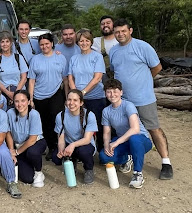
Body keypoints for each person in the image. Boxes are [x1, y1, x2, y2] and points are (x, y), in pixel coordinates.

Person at [110, 18, 173, 179]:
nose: (120, 34)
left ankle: (166, 163)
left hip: (144, 98)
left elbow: (157, 66)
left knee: (153, 128)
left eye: (123, 31)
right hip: (123, 101)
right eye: (117, 32)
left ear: (130, 31)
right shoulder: (114, 51)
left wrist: (145, 82)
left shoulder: (142, 46)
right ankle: (129, 158)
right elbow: (115, 71)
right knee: (126, 130)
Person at [99, 79, 153, 188]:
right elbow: (107, 132)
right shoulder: (106, 111)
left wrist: (116, 143)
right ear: (105, 94)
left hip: (141, 140)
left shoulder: (128, 105)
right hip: (124, 141)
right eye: (109, 92)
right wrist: (107, 145)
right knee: (104, 156)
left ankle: (137, 173)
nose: (112, 94)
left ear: (121, 92)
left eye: (115, 91)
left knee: (134, 138)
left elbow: (135, 129)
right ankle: (127, 158)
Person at [28, 33, 68, 160]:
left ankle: (60, 146)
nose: (44, 46)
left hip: (56, 93)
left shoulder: (60, 58)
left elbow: (65, 79)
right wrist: (31, 98)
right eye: (41, 44)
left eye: (46, 44)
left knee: (57, 120)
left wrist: (67, 97)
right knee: (45, 123)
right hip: (39, 96)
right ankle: (51, 148)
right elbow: (31, 81)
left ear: (52, 44)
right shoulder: (35, 59)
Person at [68, 29, 106, 150]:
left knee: (98, 125)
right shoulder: (74, 58)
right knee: (80, 125)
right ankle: (83, 150)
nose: (84, 43)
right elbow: (70, 78)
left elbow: (97, 77)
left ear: (91, 42)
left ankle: (101, 150)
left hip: (96, 97)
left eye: (86, 40)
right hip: (79, 100)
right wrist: (75, 95)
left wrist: (82, 92)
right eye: (81, 41)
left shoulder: (97, 57)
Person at [52, 89, 97, 184]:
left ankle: (89, 169)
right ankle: (72, 161)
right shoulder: (61, 116)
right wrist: (61, 150)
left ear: (81, 103)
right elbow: (61, 138)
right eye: (69, 100)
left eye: (75, 100)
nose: (71, 103)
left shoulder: (89, 115)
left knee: (83, 152)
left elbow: (87, 139)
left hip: (84, 144)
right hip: (68, 144)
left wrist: (72, 145)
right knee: (56, 158)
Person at [6, 90, 47, 187]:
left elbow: (32, 139)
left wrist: (17, 152)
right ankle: (29, 165)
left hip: (35, 143)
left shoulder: (34, 114)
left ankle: (38, 172)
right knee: (27, 178)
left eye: (23, 101)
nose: (20, 104)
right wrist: (12, 150)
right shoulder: (10, 113)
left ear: (28, 102)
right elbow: (8, 133)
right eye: (16, 101)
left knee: (32, 152)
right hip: (18, 145)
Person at [0, 31, 29, 108]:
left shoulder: (18, 58)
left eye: (7, 41)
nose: (5, 44)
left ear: (11, 43)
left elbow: (24, 78)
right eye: (2, 42)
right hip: (4, 93)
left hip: (19, 91)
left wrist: (16, 94)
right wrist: (8, 93)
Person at [92, 15, 118, 80]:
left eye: (108, 23)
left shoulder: (120, 41)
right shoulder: (95, 41)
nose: (105, 25)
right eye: (103, 24)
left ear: (114, 25)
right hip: (102, 79)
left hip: (120, 76)